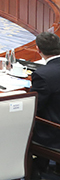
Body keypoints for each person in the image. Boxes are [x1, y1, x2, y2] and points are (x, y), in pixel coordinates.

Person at [31, 32, 60, 175]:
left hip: (53, 134)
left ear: (38, 49)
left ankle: (35, 172)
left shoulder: (43, 75)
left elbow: (34, 106)